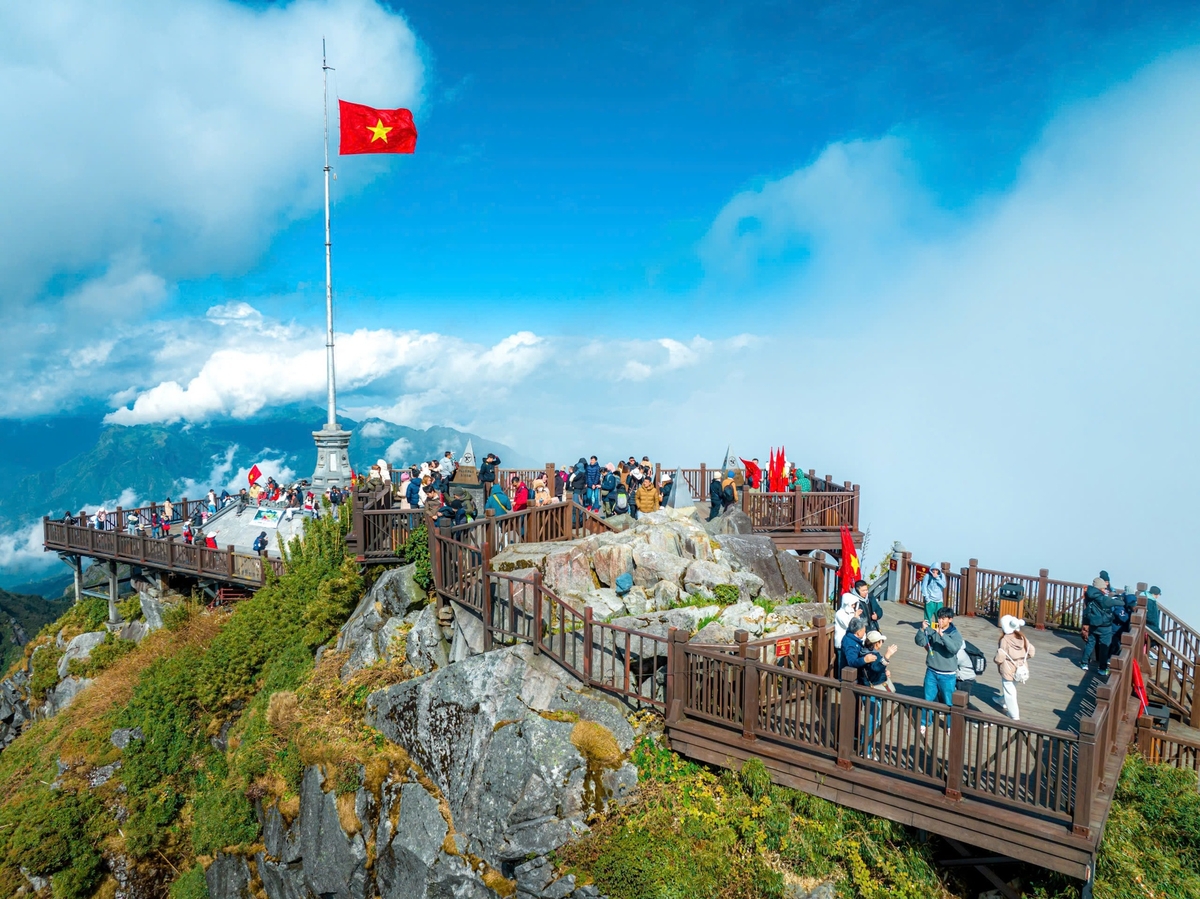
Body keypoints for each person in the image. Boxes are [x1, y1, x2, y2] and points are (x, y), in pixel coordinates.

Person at [915, 607, 964, 733]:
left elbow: (953, 649)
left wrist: (942, 635)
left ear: (950, 619)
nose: (940, 621)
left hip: (948, 675)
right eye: (939, 618)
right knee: (927, 699)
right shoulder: (932, 630)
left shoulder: (955, 634)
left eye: (943, 619)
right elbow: (920, 642)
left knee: (949, 702)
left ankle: (949, 725)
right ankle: (925, 722)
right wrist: (922, 630)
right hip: (931, 671)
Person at [995, 615, 1035, 721]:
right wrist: (1022, 659)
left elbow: (1000, 656)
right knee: (1011, 688)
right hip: (1021, 669)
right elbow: (1031, 651)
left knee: (1010, 692)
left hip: (1008, 669)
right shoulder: (1023, 638)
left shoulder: (1004, 640)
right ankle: (1001, 701)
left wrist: (996, 661)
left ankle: (1014, 715)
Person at [1081, 577, 1120, 674]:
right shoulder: (1102, 598)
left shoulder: (1089, 594)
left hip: (1093, 623)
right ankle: (1102, 668)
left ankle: (1084, 663)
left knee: (1090, 643)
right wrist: (1120, 599)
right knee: (1104, 646)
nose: (1105, 589)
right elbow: (1118, 603)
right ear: (1100, 588)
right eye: (1103, 588)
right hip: (1104, 626)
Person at [834, 590, 863, 672]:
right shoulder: (840, 613)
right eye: (852, 604)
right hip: (841, 643)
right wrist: (856, 616)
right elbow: (850, 626)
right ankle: (841, 681)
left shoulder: (852, 613)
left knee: (851, 664)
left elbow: (858, 625)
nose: (854, 606)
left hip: (851, 642)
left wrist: (855, 616)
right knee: (842, 666)